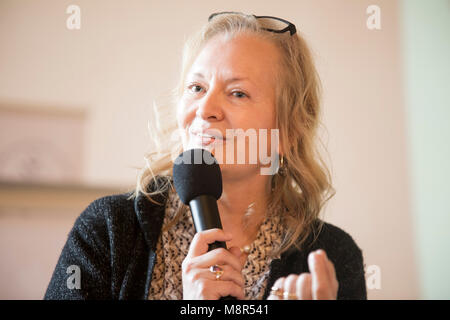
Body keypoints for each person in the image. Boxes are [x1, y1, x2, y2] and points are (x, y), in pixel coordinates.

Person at [44, 12, 366, 300]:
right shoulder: (109, 230)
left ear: (288, 133)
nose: (205, 110)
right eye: (196, 88)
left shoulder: (332, 258)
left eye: (237, 93)